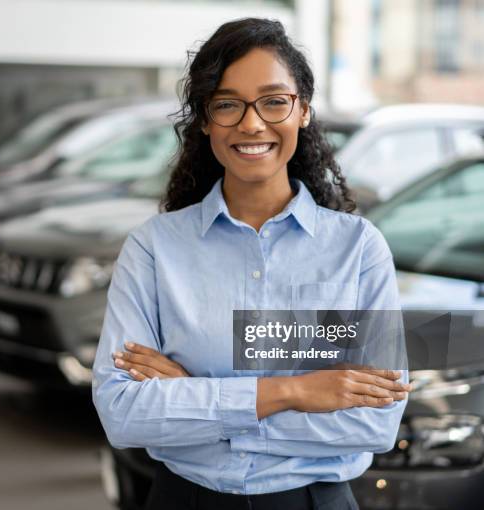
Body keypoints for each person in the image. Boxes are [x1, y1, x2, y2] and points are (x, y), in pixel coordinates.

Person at [92, 17, 411, 510]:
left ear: (302, 110)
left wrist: (196, 399)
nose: (251, 123)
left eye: (274, 100)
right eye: (227, 104)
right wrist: (295, 391)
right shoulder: (155, 248)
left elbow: (373, 422)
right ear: (204, 118)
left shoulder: (358, 249)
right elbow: (122, 412)